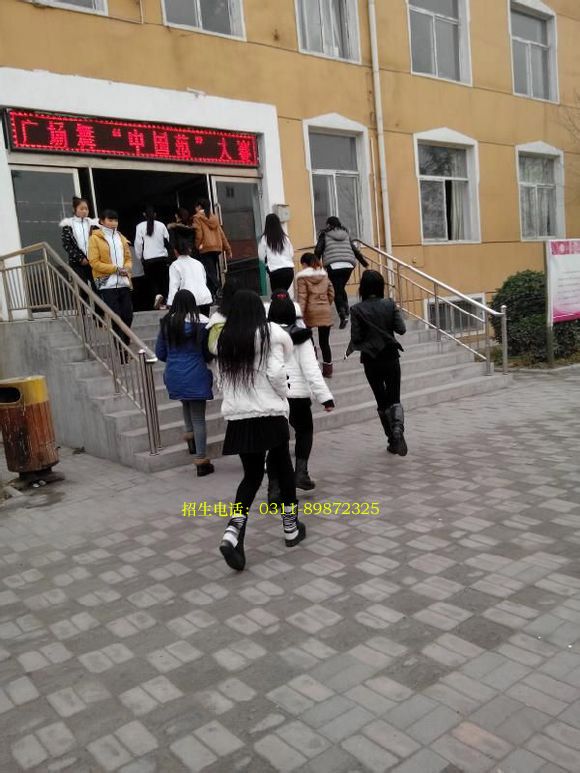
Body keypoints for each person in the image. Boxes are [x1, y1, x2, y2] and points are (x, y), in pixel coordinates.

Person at [216, 290, 305, 572]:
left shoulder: (226, 339)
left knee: (251, 476)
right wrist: (283, 395)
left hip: (240, 418)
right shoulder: (269, 335)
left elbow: (220, 381)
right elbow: (277, 374)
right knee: (284, 467)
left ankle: (233, 532)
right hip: (269, 413)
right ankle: (290, 528)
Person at [267, 290, 334, 492]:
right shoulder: (302, 337)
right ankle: (301, 473)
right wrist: (325, 398)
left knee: (275, 442)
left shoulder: (262, 336)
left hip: (271, 395)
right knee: (304, 431)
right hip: (297, 395)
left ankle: (274, 488)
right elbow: (311, 369)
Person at [347, 270, 407, 456]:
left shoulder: (356, 309)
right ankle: (398, 429)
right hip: (390, 356)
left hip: (371, 360)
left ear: (363, 288)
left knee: (381, 400)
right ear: (381, 286)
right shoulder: (389, 304)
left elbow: (356, 338)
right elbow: (401, 329)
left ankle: (392, 439)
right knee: (394, 397)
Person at [155, 290, 214, 477]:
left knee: (185, 403)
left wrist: (175, 360)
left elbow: (160, 353)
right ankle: (201, 460)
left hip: (174, 373)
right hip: (196, 372)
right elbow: (208, 351)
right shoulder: (202, 323)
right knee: (198, 417)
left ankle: (191, 439)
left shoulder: (166, 323)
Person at [88, 209, 133, 359]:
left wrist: (126, 268)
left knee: (128, 315)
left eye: (115, 220)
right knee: (116, 318)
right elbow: (94, 262)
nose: (113, 223)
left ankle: (125, 343)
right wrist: (115, 269)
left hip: (123, 282)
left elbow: (128, 258)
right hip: (107, 284)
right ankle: (122, 351)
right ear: (102, 221)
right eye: (110, 220)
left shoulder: (121, 237)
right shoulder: (95, 238)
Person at [314, 216, 369, 329]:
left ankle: (342, 314)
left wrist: (314, 266)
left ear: (328, 224)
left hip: (333, 265)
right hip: (348, 265)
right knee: (340, 288)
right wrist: (364, 263)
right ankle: (346, 308)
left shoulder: (324, 235)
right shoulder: (345, 234)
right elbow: (355, 250)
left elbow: (318, 250)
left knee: (336, 290)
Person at [296, 252, 335, 378]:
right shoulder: (324, 275)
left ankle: (314, 364)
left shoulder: (302, 277)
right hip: (325, 310)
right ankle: (328, 370)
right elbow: (331, 292)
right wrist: (326, 304)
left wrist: (299, 314)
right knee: (325, 342)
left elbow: (302, 297)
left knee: (309, 339)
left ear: (305, 264)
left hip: (310, 311)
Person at [166, 226, 213, 316]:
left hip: (189, 300)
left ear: (175, 251)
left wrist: (171, 304)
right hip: (205, 298)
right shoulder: (198, 263)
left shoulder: (175, 265)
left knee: (190, 323)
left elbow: (173, 286)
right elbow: (204, 280)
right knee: (204, 322)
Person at [193, 199, 232, 299]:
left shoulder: (197, 217)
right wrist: (227, 249)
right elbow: (221, 234)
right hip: (216, 248)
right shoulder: (214, 217)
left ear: (199, 207)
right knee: (211, 271)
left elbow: (199, 234)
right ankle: (213, 294)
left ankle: (220, 288)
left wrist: (197, 246)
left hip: (205, 248)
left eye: (196, 207)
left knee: (209, 272)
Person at [134, 205, 171, 310]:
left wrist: (139, 256)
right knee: (163, 280)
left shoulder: (140, 226)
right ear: (155, 214)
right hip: (162, 258)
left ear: (144, 214)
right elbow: (167, 240)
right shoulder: (161, 225)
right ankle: (166, 301)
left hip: (148, 259)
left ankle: (157, 298)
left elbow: (138, 243)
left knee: (152, 281)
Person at [60, 196, 99, 291]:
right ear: (74, 209)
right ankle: (84, 302)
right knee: (83, 289)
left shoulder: (92, 224)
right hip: (78, 263)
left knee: (97, 288)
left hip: (93, 261)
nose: (84, 211)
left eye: (86, 209)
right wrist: (80, 258)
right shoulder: (68, 225)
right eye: (81, 209)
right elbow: (67, 244)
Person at [258, 213, 295, 293]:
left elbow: (261, 256)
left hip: (275, 271)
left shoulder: (264, 239)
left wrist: (267, 261)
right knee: (283, 293)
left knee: (277, 295)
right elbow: (291, 253)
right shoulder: (285, 238)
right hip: (289, 270)